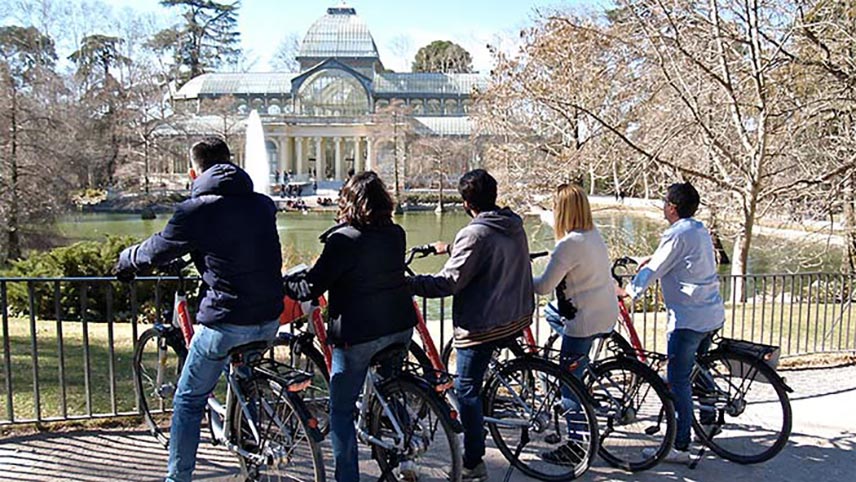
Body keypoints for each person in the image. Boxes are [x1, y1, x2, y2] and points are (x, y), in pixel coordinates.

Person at [113, 137, 283, 482]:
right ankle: (249, 457)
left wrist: (125, 260)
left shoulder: (196, 210)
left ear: (194, 171)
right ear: (231, 164)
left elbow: (157, 249)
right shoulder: (263, 204)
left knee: (188, 402)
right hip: (269, 317)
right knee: (243, 379)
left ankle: (178, 478)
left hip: (226, 320)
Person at [283, 171, 417, 482]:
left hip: (358, 335)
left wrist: (287, 285)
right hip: (398, 326)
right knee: (391, 389)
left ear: (348, 202)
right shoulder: (395, 233)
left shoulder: (343, 239)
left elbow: (314, 285)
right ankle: (404, 456)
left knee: (340, 411)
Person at [408, 169, 534, 482]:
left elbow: (448, 282)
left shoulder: (474, 233)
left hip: (483, 325)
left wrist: (408, 282)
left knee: (466, 391)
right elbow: (488, 251)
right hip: (516, 315)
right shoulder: (513, 223)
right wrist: (451, 248)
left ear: (466, 203)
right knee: (475, 380)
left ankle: (473, 461)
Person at [618, 182, 725, 464]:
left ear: (673, 208)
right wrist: (652, 257)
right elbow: (680, 258)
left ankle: (680, 446)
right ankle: (709, 415)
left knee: (678, 381)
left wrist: (628, 291)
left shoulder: (676, 234)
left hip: (688, 318)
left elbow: (654, 271)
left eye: (665, 202)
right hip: (711, 313)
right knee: (695, 368)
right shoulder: (698, 229)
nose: (663, 206)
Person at [533, 183, 619, 464]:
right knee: (551, 313)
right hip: (605, 314)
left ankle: (576, 446)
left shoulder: (567, 245)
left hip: (583, 322)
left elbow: (545, 286)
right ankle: (581, 368)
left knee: (569, 386)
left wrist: (518, 278)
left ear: (563, 212)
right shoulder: (593, 235)